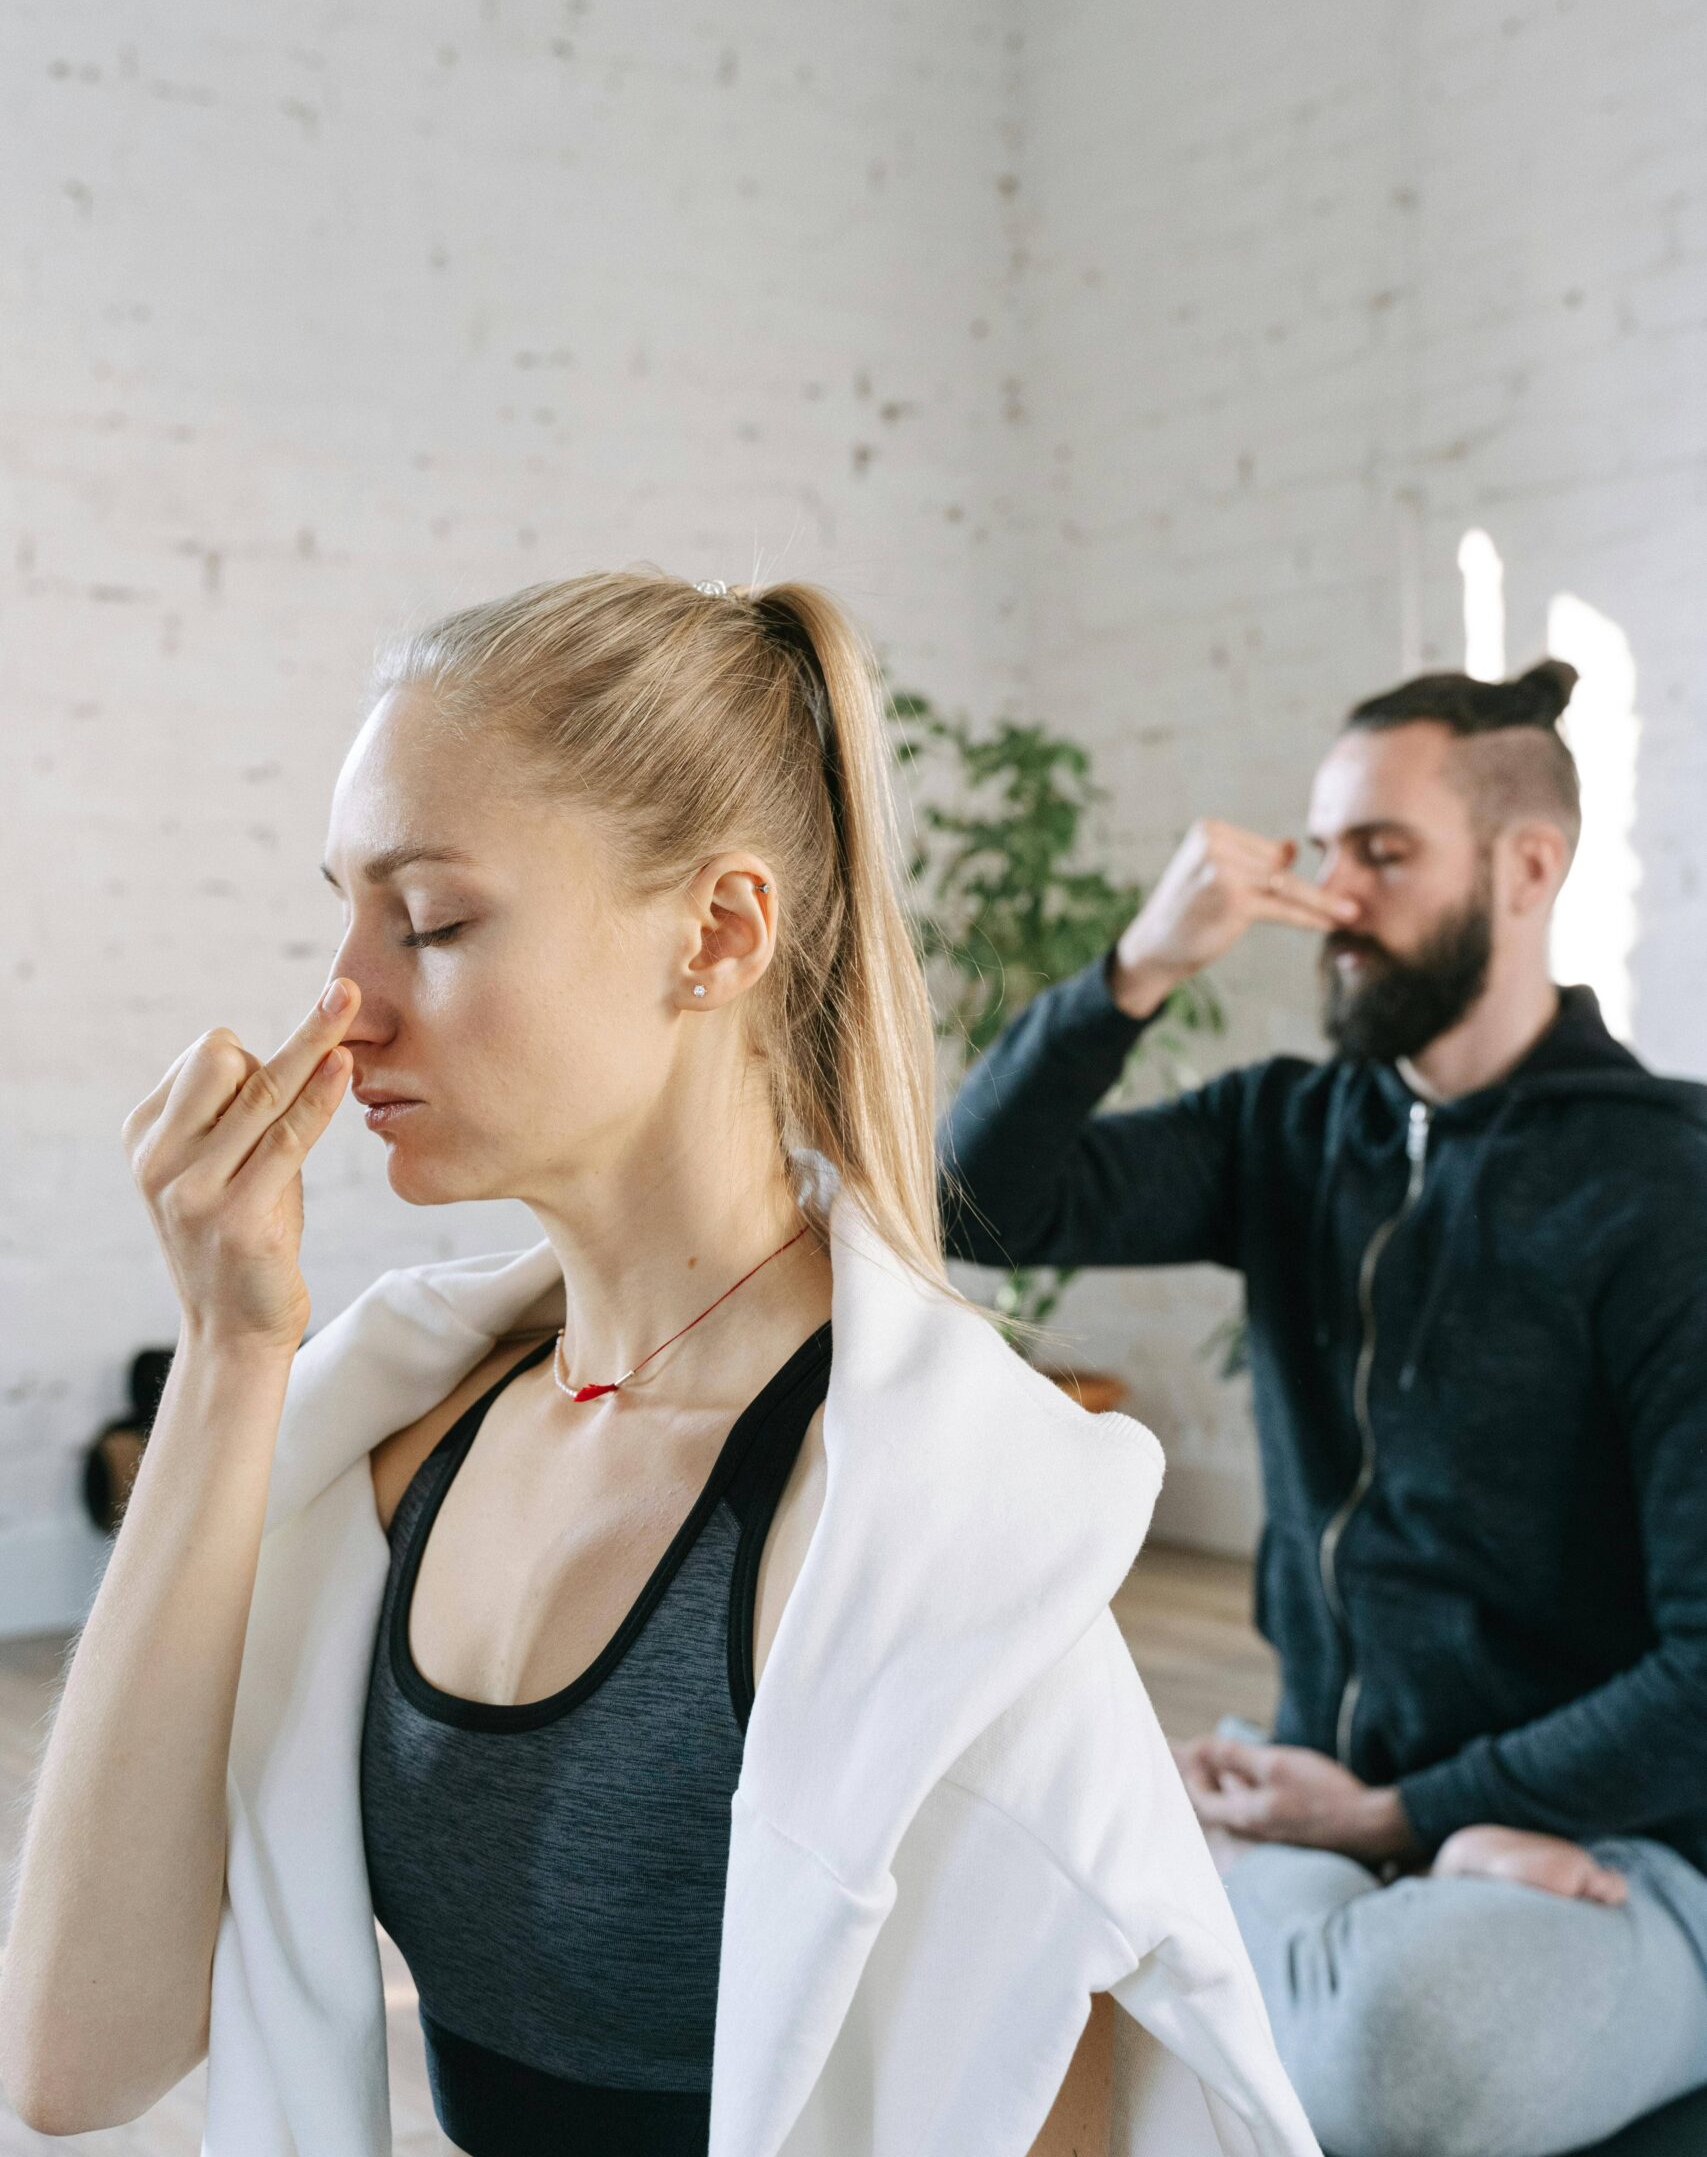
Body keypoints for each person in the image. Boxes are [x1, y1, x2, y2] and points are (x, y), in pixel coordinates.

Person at [0, 570, 1319, 2157]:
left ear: (719, 931)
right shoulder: (404, 1444)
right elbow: (73, 2063)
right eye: (344, 912)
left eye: (429, 919)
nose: (342, 1007)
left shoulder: (908, 1539)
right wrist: (229, 1346)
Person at [940, 660, 1707, 2157]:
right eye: (1324, 845)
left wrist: (1396, 1821)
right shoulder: (1288, 1131)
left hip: (1625, 1847)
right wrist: (1134, 972)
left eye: (1384, 852)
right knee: (987, 1891)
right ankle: (1297, 1892)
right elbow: (981, 1195)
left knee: (1394, 2052)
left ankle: (1278, 1909)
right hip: (1336, 1798)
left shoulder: (1668, 1190)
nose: (1331, 893)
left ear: (1528, 866)